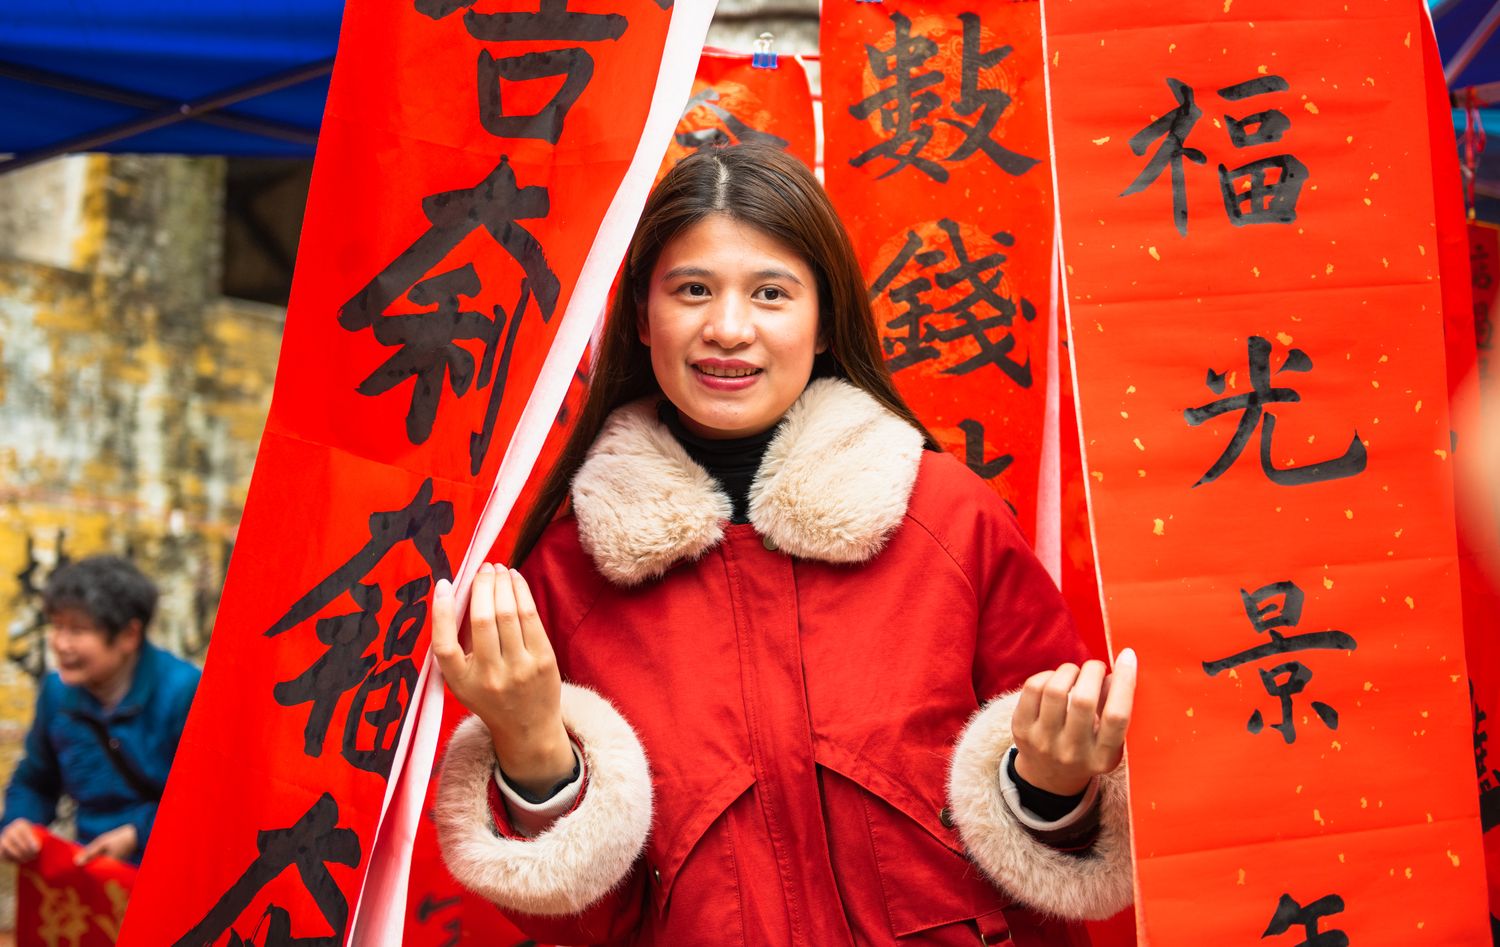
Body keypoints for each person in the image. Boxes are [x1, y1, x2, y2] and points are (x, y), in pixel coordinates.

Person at [431, 144, 1136, 945]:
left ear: (827, 320)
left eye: (771, 293)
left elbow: (1089, 832)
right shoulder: (562, 574)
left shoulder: (951, 519)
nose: (728, 329)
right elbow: (594, 927)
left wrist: (1048, 788)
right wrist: (527, 747)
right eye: (693, 289)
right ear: (639, 315)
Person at [0, 555, 200, 867]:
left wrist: (139, 834)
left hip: (166, 869)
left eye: (77, 631)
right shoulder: (56, 692)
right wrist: (18, 823)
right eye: (57, 626)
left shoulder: (183, 691)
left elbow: (206, 797)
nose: (60, 644)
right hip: (90, 868)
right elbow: (36, 780)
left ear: (128, 636)